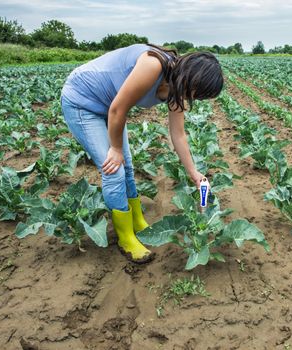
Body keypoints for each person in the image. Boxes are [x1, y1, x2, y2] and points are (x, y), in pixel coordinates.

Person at [60, 43, 224, 263]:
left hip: (112, 107)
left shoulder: (177, 88)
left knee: (127, 166)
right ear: (191, 78)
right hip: (83, 102)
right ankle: (125, 237)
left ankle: (136, 221)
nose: (193, 98)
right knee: (114, 169)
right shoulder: (153, 65)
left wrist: (193, 172)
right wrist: (115, 148)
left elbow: (179, 135)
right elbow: (118, 109)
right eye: (198, 93)